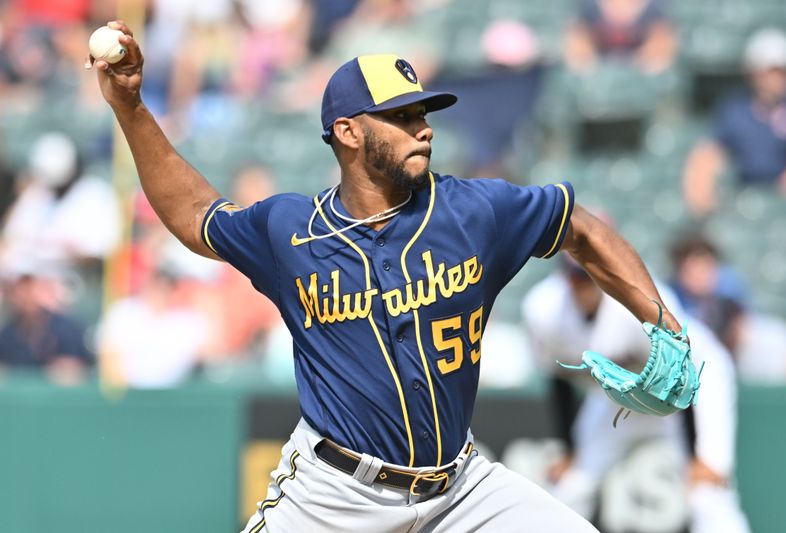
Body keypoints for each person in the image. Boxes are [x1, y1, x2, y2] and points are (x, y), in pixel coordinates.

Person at [88, 21, 686, 533]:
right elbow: (196, 216)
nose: (422, 127)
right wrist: (131, 108)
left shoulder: (473, 212)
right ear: (348, 132)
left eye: (422, 113)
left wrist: (663, 324)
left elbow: (580, 227)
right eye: (400, 116)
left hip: (462, 491)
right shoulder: (291, 232)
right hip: (333, 494)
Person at [522, 258, 751, 533]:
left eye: (588, 275)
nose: (582, 283)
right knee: (574, 483)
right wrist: (571, 450)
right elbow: (558, 379)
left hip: (696, 383)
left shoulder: (639, 301)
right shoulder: (544, 310)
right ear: (564, 278)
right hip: (622, 393)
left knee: (707, 492)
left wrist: (694, 455)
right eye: (575, 276)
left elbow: (682, 369)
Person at [682, 28, 786, 216]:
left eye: (785, 71)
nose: (780, 78)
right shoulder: (734, 110)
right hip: (744, 193)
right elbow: (710, 152)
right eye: (773, 71)